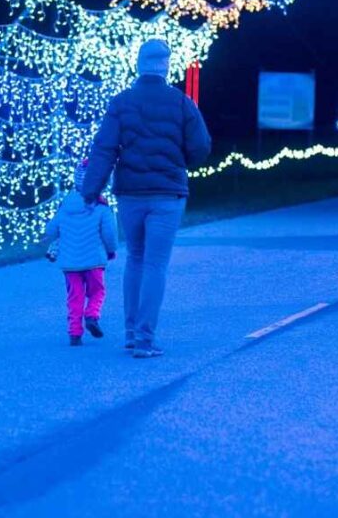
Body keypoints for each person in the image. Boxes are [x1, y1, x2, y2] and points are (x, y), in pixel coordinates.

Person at [82, 39, 212, 358]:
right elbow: (201, 147)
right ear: (165, 66)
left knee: (136, 259)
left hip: (130, 195)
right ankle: (144, 339)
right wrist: (178, 160)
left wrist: (91, 190)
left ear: (139, 66)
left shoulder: (121, 103)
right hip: (168, 195)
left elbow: (104, 149)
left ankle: (130, 333)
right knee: (155, 264)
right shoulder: (181, 103)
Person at [44, 159, 118, 346]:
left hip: (70, 263)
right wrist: (111, 250)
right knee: (97, 291)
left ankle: (74, 333)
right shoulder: (101, 207)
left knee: (74, 297)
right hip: (94, 261)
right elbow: (109, 233)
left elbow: (51, 230)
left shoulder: (65, 205)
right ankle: (92, 315)